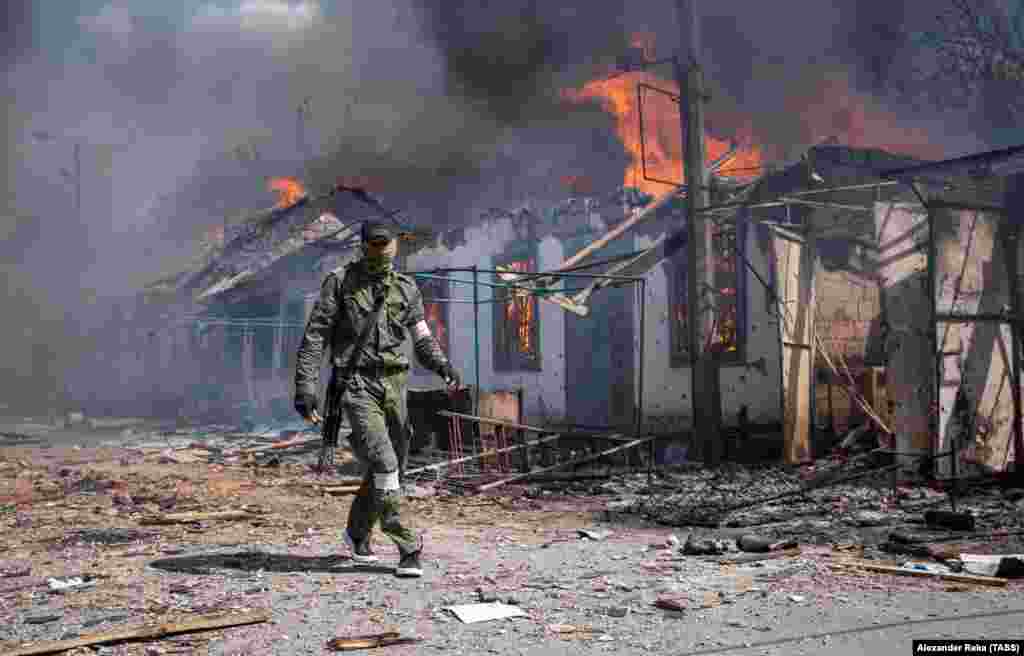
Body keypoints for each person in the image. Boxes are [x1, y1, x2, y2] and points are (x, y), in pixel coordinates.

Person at [294, 220, 461, 578]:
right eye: (374, 244)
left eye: (386, 245)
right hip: (356, 385)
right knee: (385, 463)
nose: (381, 250)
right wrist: (305, 387)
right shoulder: (340, 283)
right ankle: (406, 545)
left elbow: (422, 338)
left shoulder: (406, 288)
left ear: (395, 247)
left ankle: (357, 533)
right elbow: (315, 337)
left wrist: (442, 365)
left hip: (395, 386)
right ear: (363, 245)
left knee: (392, 467)